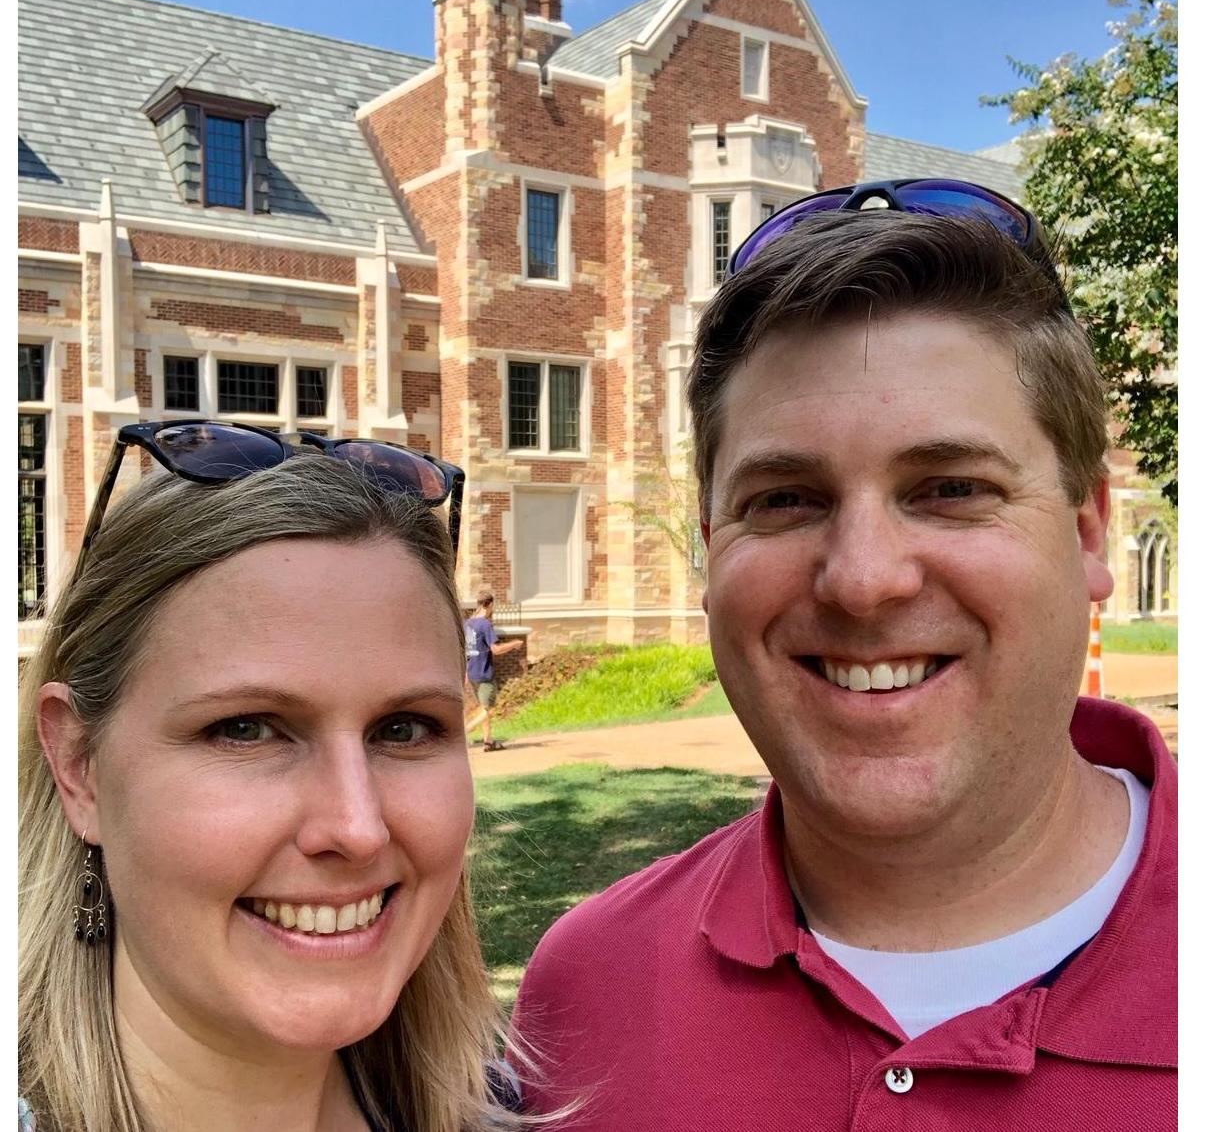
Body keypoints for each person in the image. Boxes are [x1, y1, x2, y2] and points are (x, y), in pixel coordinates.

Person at [511, 180, 1176, 1129]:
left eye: (949, 486)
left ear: (1085, 535)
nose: (862, 580)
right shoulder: (584, 989)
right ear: (710, 551)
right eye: (784, 499)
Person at [18, 423, 530, 1131]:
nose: (356, 826)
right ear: (79, 765)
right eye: (246, 727)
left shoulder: (510, 1106)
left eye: (403, 728)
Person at [464, 592, 524, 752]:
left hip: (472, 672)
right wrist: (514, 644)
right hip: (484, 673)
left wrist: (465, 673)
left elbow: (466, 650)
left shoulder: (468, 623)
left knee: (484, 707)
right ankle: (464, 732)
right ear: (489, 605)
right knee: (489, 709)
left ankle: (488, 742)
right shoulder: (485, 624)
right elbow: (496, 649)